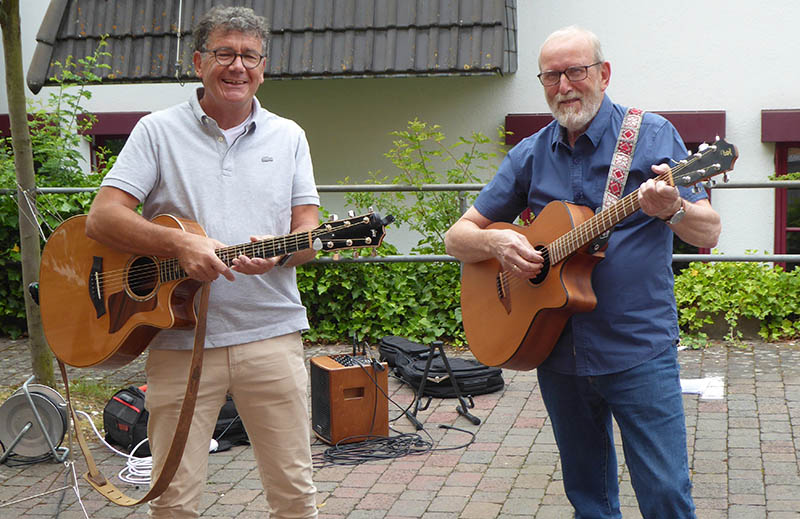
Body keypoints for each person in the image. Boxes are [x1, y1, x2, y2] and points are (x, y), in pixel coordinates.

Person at [445, 26, 721, 518]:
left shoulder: (652, 135)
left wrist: (672, 208)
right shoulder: (529, 153)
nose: (564, 85)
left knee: (665, 495)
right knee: (588, 499)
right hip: (556, 350)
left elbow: (708, 232)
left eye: (576, 71)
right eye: (551, 75)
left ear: (603, 74)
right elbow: (456, 237)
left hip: (637, 348)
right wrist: (496, 241)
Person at [85, 6, 318, 518]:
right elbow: (101, 219)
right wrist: (180, 246)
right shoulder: (156, 131)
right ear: (198, 61)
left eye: (249, 56)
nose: (238, 67)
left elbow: (309, 236)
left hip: (270, 334)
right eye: (224, 53)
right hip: (177, 339)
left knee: (294, 495)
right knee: (173, 499)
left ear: (264, 66)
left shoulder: (289, 136)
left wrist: (281, 249)